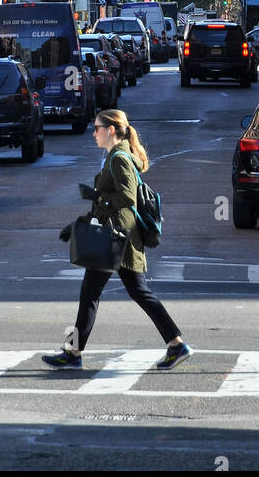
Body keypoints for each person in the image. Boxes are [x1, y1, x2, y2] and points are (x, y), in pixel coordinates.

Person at [43, 108, 191, 371]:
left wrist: (99, 197)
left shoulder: (119, 158)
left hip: (116, 240)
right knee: (127, 292)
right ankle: (175, 344)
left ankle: (73, 353)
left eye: (97, 128)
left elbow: (127, 199)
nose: (94, 134)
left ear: (111, 130)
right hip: (117, 238)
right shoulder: (114, 156)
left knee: (98, 294)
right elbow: (109, 204)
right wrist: (78, 223)